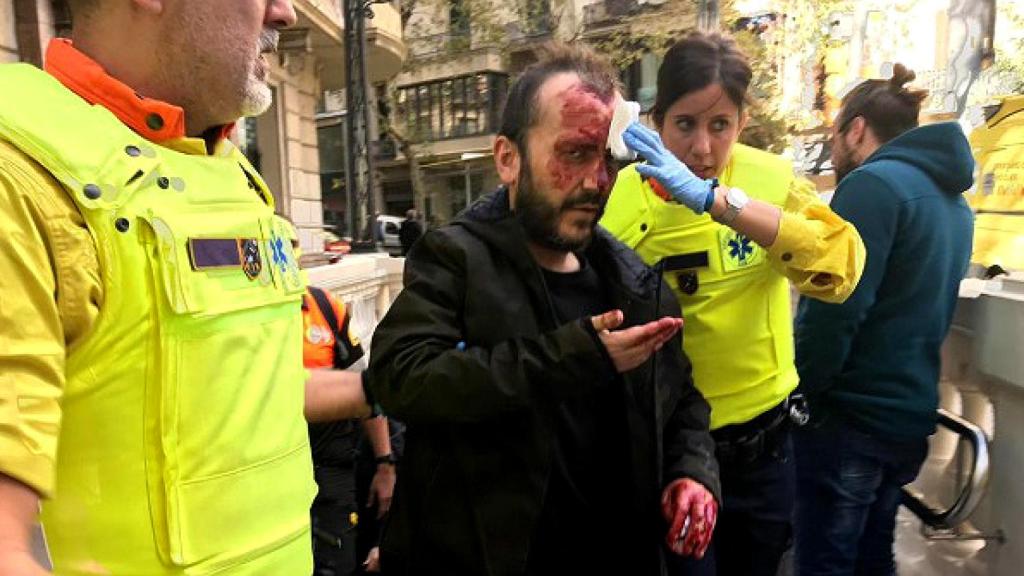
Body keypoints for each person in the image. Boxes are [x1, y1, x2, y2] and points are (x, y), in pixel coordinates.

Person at [0, 1, 369, 574]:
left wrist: (402, 381)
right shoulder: (18, 179)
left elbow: (251, 398)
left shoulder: (225, 166)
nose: (286, 12)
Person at [367, 44, 721, 576]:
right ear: (507, 158)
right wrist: (577, 355)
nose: (597, 181)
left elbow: (681, 401)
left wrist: (692, 472)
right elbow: (401, 378)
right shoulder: (455, 261)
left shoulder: (634, 281)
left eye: (609, 160)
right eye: (574, 154)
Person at [600, 32, 866, 576]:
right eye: (685, 125)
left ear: (741, 123)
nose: (702, 148)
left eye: (719, 125)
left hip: (767, 454)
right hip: (675, 462)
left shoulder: (770, 180)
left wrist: (722, 203)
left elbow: (841, 270)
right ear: (656, 122)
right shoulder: (619, 201)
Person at [792, 64, 974, 576]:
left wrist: (803, 392)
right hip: (907, 418)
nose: (834, 150)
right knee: (874, 559)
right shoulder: (955, 204)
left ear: (855, 129)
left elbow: (836, 308)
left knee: (825, 561)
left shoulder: (871, 187)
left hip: (850, 421)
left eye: (835, 135)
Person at [303, 286, 396, 575]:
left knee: (337, 562)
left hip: (332, 472)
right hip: (275, 472)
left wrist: (385, 463)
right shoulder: (253, 319)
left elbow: (367, 394)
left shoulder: (326, 308)